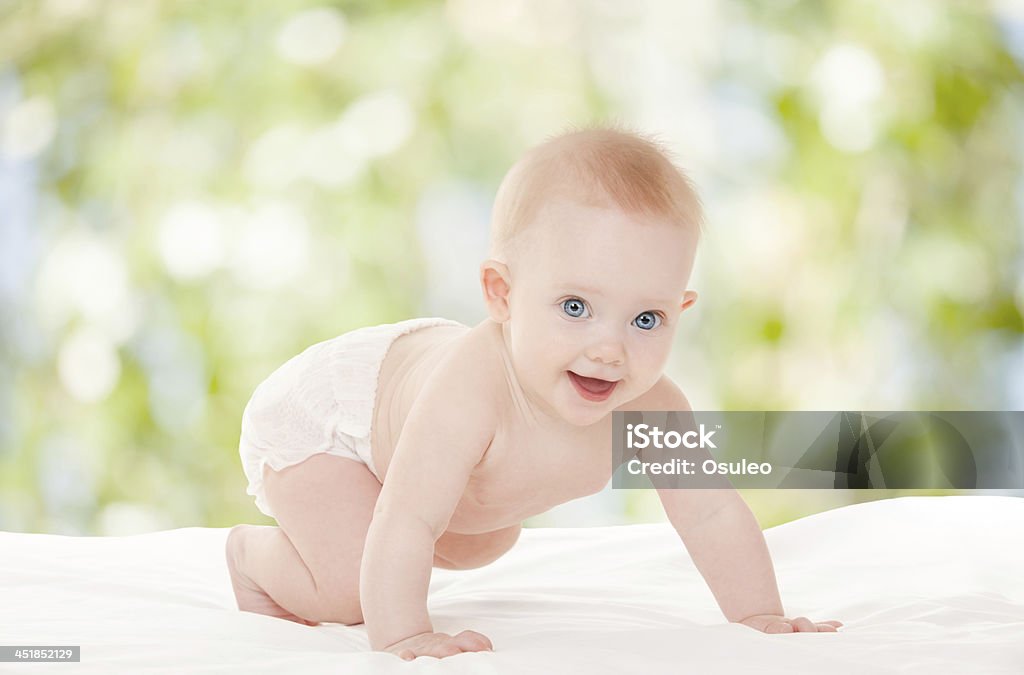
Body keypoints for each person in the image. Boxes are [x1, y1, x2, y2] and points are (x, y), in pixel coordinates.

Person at [225, 127, 842, 660]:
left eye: (646, 319)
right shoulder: (472, 390)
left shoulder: (655, 408)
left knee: (486, 540)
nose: (609, 348)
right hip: (336, 422)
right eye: (576, 307)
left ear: (681, 309)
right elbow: (407, 514)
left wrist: (762, 618)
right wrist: (403, 636)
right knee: (350, 587)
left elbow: (709, 513)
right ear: (502, 295)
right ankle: (254, 556)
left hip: (421, 427)